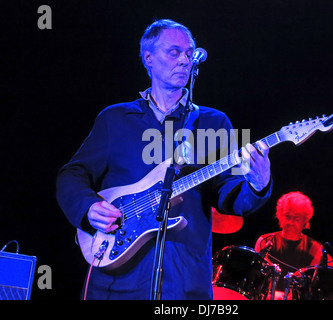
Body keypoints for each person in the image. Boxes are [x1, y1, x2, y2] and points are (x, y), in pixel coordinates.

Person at [56, 19, 272, 300]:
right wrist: (89, 208)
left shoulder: (213, 122)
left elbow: (228, 194)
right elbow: (72, 175)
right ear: (148, 58)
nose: (184, 60)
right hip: (116, 281)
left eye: (189, 53)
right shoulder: (115, 118)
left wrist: (257, 185)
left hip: (183, 280)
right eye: (174, 52)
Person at [255, 191, 333, 299]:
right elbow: (255, 279)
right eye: (287, 216)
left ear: (305, 221)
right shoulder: (264, 241)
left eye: (296, 218)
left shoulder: (314, 247)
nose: (290, 222)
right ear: (279, 215)